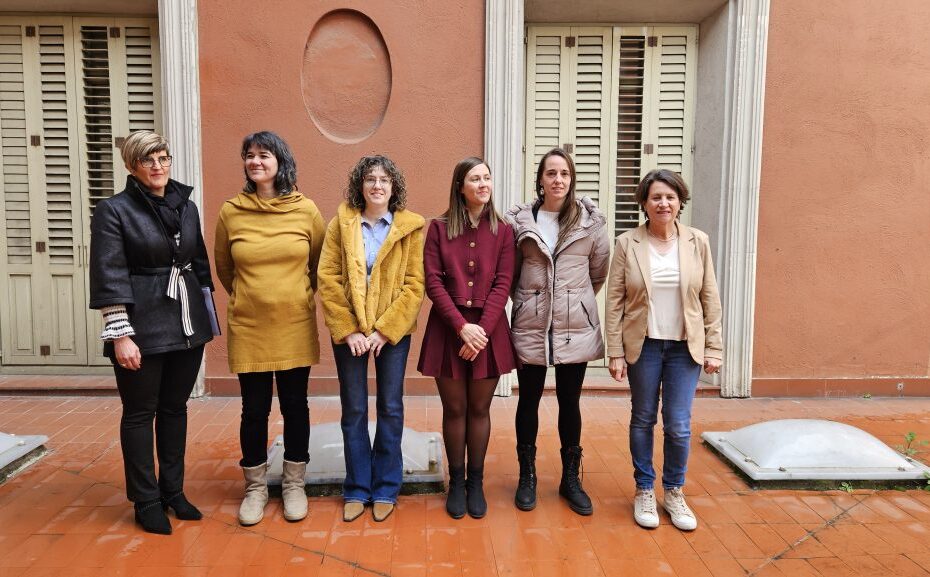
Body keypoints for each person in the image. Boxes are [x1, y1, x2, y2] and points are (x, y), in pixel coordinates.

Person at [89, 130, 214, 535]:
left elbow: (199, 263)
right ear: (132, 166)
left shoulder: (186, 206)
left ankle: (173, 491)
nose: (158, 166)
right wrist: (120, 334)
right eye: (148, 160)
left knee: (175, 409)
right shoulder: (114, 210)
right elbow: (109, 272)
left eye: (163, 158)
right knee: (140, 413)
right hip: (140, 325)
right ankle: (145, 500)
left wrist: (207, 318)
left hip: (186, 324)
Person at [214, 131, 325, 526]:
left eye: (264, 155)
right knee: (254, 409)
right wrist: (252, 297)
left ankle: (294, 484)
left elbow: (319, 265)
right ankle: (256, 488)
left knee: (295, 405)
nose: (255, 161)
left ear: (281, 161)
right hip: (250, 326)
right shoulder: (231, 212)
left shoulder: (306, 210)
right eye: (249, 155)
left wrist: (293, 296)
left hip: (293, 324)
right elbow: (225, 268)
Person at [605, 169, 723, 531]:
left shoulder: (697, 241)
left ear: (680, 201)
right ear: (644, 202)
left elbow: (710, 297)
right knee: (643, 418)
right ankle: (644, 488)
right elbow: (614, 300)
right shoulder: (627, 243)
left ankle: (673, 491)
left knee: (679, 425)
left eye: (670, 197)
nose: (663, 203)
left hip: (685, 348)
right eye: (656, 197)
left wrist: (714, 346)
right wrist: (615, 351)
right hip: (644, 346)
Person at [318, 155, 425, 523]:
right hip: (350, 334)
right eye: (370, 179)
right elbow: (328, 278)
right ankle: (357, 487)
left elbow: (415, 285)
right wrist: (349, 329)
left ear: (394, 187)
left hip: (391, 334)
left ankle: (385, 487)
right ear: (360, 186)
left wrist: (385, 330)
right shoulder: (341, 225)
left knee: (390, 407)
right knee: (354, 409)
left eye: (384, 180)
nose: (377, 185)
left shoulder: (410, 229)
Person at [506, 147, 610, 516]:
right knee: (528, 400)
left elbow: (597, 273)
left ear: (572, 179)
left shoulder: (590, 223)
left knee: (570, 401)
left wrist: (573, 303)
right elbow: (510, 274)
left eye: (564, 173)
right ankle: (527, 476)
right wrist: (529, 304)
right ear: (540, 180)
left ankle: (570, 480)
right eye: (551, 173)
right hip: (531, 325)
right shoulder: (521, 223)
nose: (558, 180)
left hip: (574, 326)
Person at [418, 157, 518, 519]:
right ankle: (456, 483)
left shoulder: (504, 231)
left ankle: (476, 482)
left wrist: (481, 331)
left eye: (487, 178)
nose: (483, 184)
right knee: (455, 409)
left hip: (488, 331)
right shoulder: (438, 228)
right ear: (460, 187)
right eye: (475, 179)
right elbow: (432, 282)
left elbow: (503, 283)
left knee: (479, 409)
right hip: (449, 329)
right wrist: (462, 327)